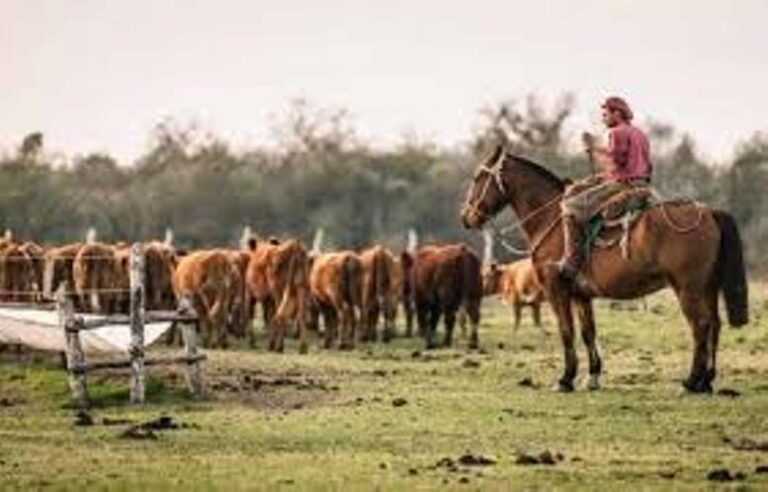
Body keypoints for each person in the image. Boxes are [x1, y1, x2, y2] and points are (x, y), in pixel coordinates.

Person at [555, 96, 653, 280]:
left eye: (606, 114)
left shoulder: (616, 133)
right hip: (641, 183)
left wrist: (593, 149)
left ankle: (572, 261)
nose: (603, 118)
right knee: (580, 188)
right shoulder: (639, 133)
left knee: (570, 207)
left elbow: (616, 162)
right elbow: (645, 165)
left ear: (617, 113)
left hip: (623, 185)